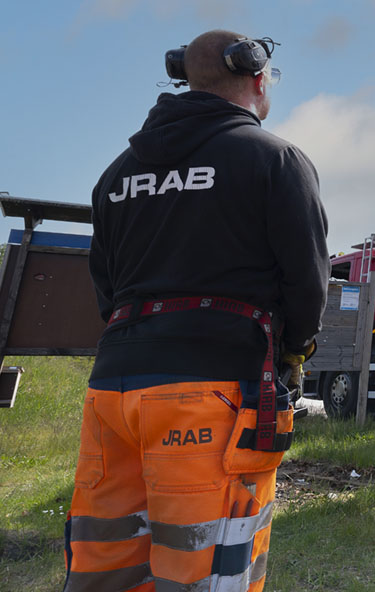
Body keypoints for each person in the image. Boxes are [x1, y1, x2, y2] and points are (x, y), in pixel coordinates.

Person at [63, 30, 329, 592]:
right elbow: (306, 284)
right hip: (209, 394)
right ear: (258, 80)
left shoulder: (114, 175)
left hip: (113, 392)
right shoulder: (274, 159)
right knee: (205, 567)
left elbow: (106, 288)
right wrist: (294, 352)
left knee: (107, 558)